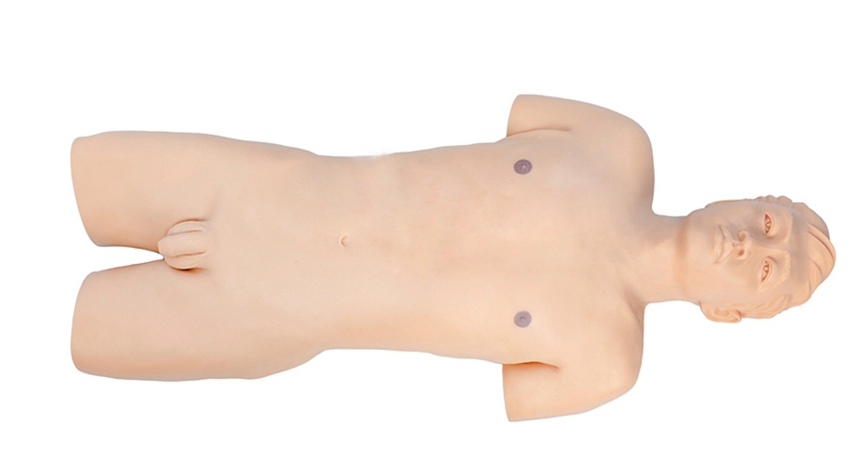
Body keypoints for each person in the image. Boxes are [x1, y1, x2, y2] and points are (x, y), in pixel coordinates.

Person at [69, 95, 835, 421]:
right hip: (253, 185)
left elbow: (514, 400)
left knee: (60, 346)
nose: (751, 241)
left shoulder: (604, 363)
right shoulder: (616, 144)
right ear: (744, 198)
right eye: (768, 220)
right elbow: (522, 114)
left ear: (727, 312)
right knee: (68, 170)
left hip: (259, 316)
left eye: (766, 268)